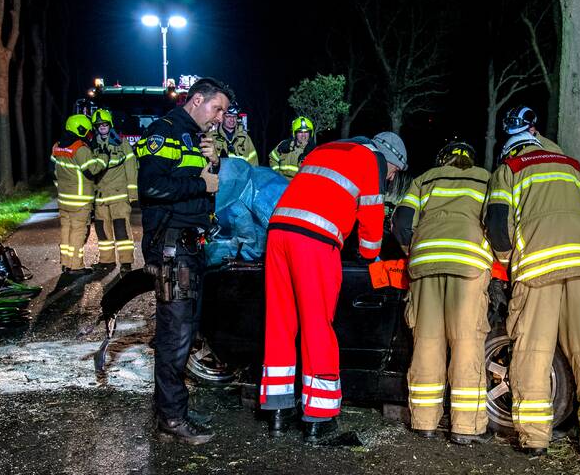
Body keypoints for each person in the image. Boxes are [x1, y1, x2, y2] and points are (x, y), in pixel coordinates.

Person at [260, 131, 407, 443]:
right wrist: (369, 255)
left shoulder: (328, 149)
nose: (389, 177)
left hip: (278, 232)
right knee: (317, 325)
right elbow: (370, 217)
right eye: (393, 173)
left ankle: (277, 411)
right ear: (390, 160)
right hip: (314, 240)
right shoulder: (373, 159)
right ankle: (319, 418)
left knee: (280, 323)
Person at [484, 131, 580, 458]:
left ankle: (534, 441)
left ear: (510, 150)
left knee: (533, 352)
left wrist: (507, 263)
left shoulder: (510, 169)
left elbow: (498, 226)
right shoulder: (571, 167)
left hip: (538, 270)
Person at [135, 77, 233, 445]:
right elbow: (152, 188)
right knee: (175, 336)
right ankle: (171, 420)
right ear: (195, 100)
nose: (220, 117)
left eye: (224, 111)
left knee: (187, 332)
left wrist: (213, 162)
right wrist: (202, 185)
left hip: (193, 246)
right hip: (172, 248)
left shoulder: (195, 138)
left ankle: (174, 411)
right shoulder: (165, 133)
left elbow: (204, 185)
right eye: (216, 108)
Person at [392, 140, 493, 445]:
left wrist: (417, 250)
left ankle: (424, 422)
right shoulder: (486, 178)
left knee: (427, 341)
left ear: (443, 158)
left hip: (425, 263)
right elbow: (499, 220)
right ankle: (466, 427)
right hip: (468, 263)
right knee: (466, 342)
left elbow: (400, 222)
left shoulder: (425, 179)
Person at [51, 114, 107, 273]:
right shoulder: (80, 148)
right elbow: (92, 170)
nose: (89, 134)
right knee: (78, 232)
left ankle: (66, 263)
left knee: (66, 231)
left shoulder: (57, 146)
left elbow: (52, 170)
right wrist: (103, 157)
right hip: (80, 200)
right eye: (87, 131)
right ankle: (76, 266)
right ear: (81, 129)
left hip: (64, 199)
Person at [90, 108, 136, 271]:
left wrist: (133, 194)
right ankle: (107, 261)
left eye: (104, 124)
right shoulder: (91, 146)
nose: (102, 126)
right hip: (100, 198)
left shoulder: (122, 144)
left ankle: (126, 262)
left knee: (121, 230)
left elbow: (131, 168)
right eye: (99, 125)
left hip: (119, 196)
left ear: (110, 124)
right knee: (102, 232)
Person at [212, 102, 259, 166]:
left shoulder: (246, 139)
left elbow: (254, 164)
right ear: (222, 117)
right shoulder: (211, 137)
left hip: (241, 176)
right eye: (228, 116)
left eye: (234, 116)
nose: (232, 120)